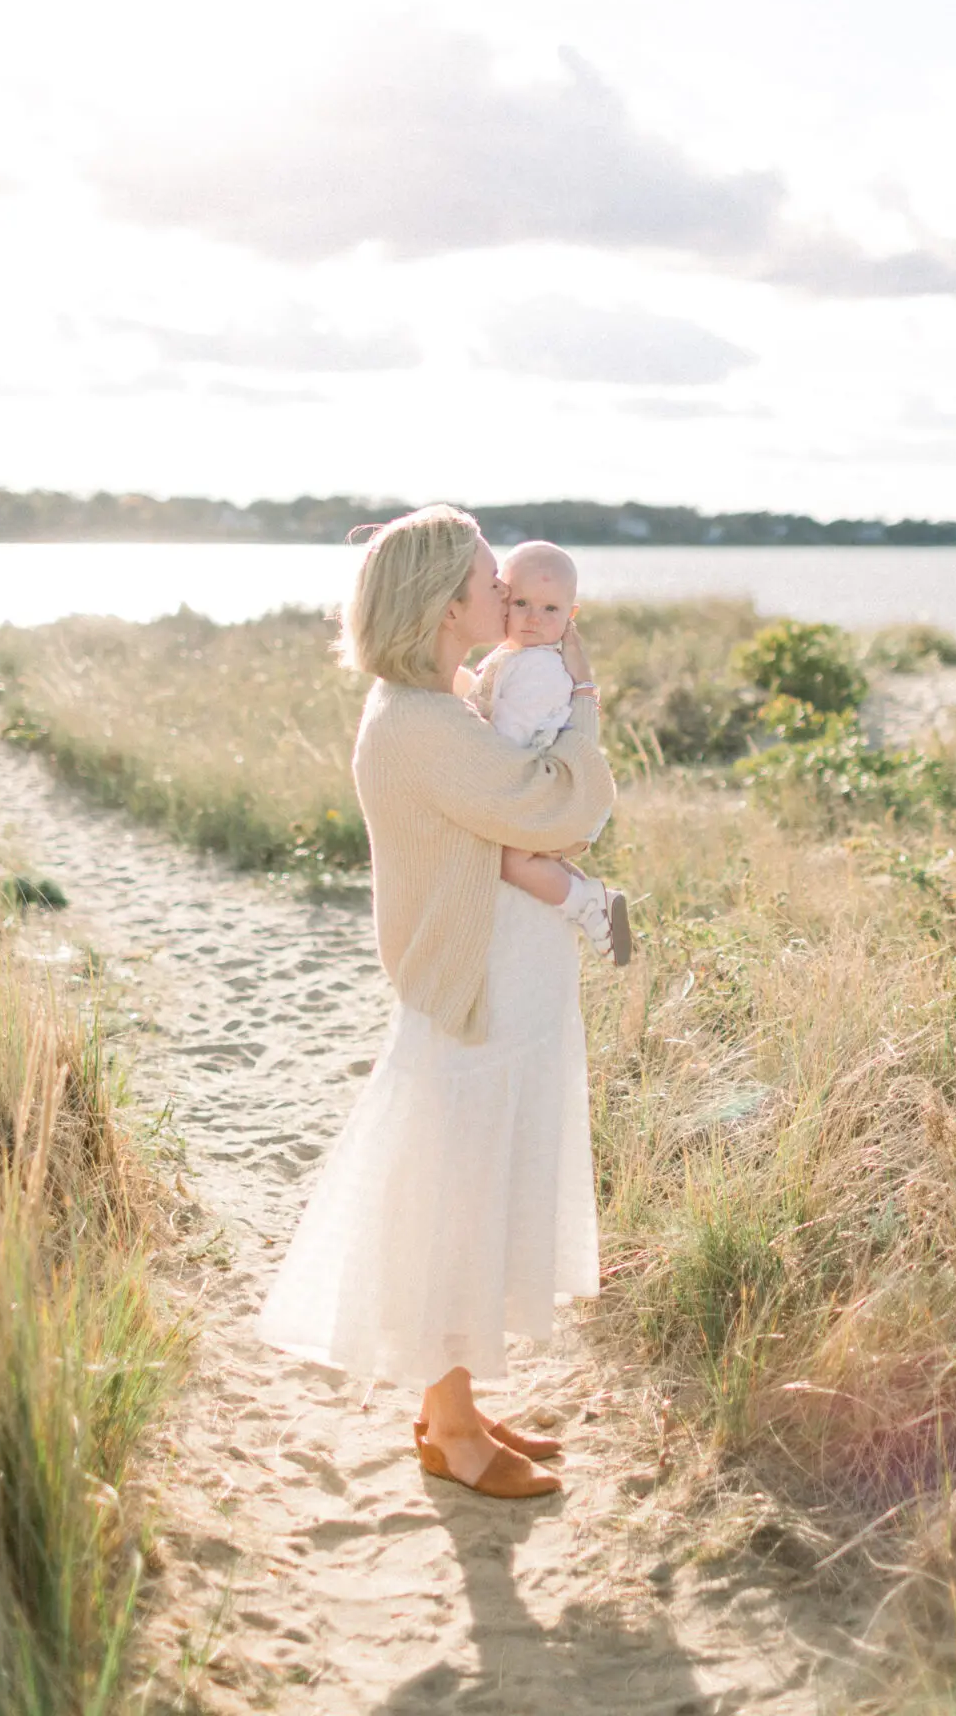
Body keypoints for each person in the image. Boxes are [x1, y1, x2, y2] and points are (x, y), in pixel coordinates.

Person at [257, 505, 617, 1500]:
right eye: (490, 580)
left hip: (496, 988)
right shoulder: (422, 724)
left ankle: (452, 1408)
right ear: (446, 603)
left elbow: (531, 815)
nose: (507, 594)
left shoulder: (442, 703)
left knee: (472, 1193)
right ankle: (450, 1430)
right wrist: (585, 697)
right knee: (455, 1203)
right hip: (476, 997)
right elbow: (568, 807)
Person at [463, 540, 631, 966]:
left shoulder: (538, 668)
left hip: (549, 789)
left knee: (513, 860)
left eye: (550, 609)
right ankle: (599, 904)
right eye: (521, 603)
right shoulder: (517, 656)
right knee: (538, 859)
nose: (533, 618)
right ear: (503, 597)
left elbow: (509, 740)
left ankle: (588, 904)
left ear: (570, 616)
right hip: (551, 785)